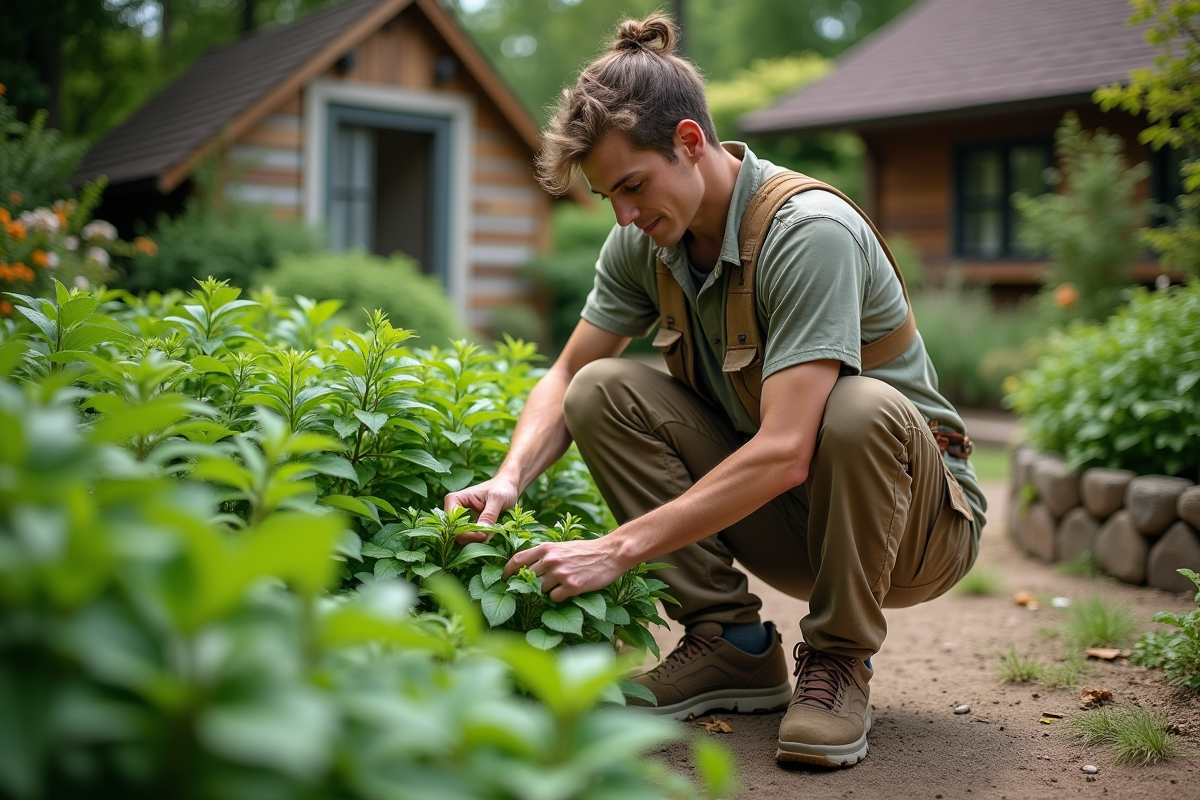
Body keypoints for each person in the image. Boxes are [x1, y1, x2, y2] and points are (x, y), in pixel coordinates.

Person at [445, 12, 986, 768]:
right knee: (601, 388)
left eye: (633, 186)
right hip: (792, 520)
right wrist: (508, 481)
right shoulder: (645, 239)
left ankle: (838, 660)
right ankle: (730, 644)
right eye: (609, 198)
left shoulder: (808, 232)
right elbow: (566, 372)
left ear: (691, 142)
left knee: (857, 408)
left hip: (916, 530)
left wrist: (615, 549)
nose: (626, 214)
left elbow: (788, 450)